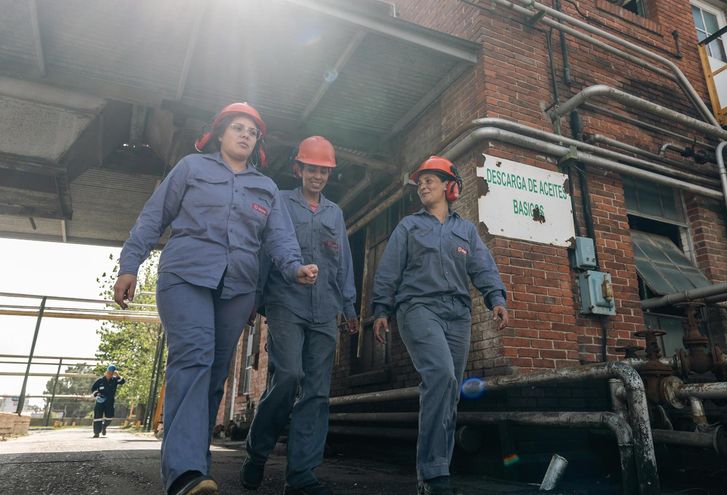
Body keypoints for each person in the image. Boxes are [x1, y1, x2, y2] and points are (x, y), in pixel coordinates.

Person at [112, 102, 319, 495]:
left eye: (252, 131)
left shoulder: (266, 187)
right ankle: (184, 473)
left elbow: (279, 239)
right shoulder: (192, 168)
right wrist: (129, 266)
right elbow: (153, 217)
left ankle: (195, 473)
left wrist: (295, 267)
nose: (245, 134)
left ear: (257, 143)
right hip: (185, 276)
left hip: (237, 287)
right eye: (237, 128)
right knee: (194, 359)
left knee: (212, 377)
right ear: (220, 133)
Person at [371, 156, 509, 495]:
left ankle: (436, 472)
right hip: (418, 308)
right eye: (420, 181)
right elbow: (389, 270)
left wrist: (497, 299)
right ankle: (433, 472)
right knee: (441, 376)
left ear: (451, 187)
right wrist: (381, 309)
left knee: (449, 393)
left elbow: (482, 267)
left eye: (430, 179)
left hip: (458, 314)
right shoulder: (408, 227)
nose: (423, 185)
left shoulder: (465, 231)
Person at [241, 136, 358, 495]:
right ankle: (258, 452)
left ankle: (302, 475)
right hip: (285, 301)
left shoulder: (334, 213)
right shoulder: (280, 201)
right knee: (289, 374)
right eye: (312, 168)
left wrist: (349, 306)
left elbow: (343, 262)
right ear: (299, 168)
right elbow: (265, 250)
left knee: (317, 393)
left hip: (325, 308)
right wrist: (253, 299)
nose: (318, 176)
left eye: (324, 170)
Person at [90, 364, 125, 438]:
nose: (110, 374)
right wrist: (97, 394)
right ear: (106, 372)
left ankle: (104, 426)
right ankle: (96, 433)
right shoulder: (100, 380)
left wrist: (118, 375)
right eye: (109, 372)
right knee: (97, 418)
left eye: (112, 373)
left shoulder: (115, 380)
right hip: (100, 402)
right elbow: (93, 388)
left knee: (109, 417)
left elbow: (122, 381)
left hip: (110, 402)